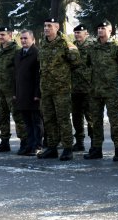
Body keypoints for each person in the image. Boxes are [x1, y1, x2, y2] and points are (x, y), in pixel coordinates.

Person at [85, 20, 118, 162]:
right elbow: (88, 64)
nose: (100, 31)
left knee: (114, 121)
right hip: (95, 91)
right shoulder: (92, 47)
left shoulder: (116, 48)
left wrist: (116, 73)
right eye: (99, 28)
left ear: (110, 31)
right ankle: (97, 149)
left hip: (111, 91)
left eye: (103, 28)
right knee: (96, 122)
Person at [38, 17, 82, 161]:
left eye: (49, 26)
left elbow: (76, 61)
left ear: (57, 27)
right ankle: (52, 147)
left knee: (63, 119)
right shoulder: (43, 43)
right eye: (45, 25)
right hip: (46, 89)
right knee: (49, 119)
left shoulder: (65, 43)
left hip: (61, 89)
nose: (46, 28)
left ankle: (68, 148)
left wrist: (62, 75)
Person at [0, 26, 26, 153]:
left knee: (18, 118)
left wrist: (18, 90)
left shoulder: (17, 51)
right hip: (1, 91)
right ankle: (4, 142)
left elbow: (21, 72)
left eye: (3, 34)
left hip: (13, 91)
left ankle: (24, 141)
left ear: (10, 35)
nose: (1, 37)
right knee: (2, 117)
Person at [14, 30, 43, 156]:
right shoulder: (19, 54)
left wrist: (37, 93)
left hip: (33, 95)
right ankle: (29, 145)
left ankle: (37, 145)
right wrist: (15, 92)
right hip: (22, 94)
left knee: (36, 122)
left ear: (33, 39)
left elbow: (39, 76)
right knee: (27, 122)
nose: (23, 40)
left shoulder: (36, 53)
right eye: (21, 38)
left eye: (26, 38)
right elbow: (16, 75)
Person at [70, 24, 94, 152]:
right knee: (76, 117)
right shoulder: (72, 47)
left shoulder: (92, 46)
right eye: (76, 32)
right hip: (74, 88)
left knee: (90, 117)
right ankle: (79, 142)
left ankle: (94, 143)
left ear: (86, 33)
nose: (77, 34)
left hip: (88, 88)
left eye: (80, 32)